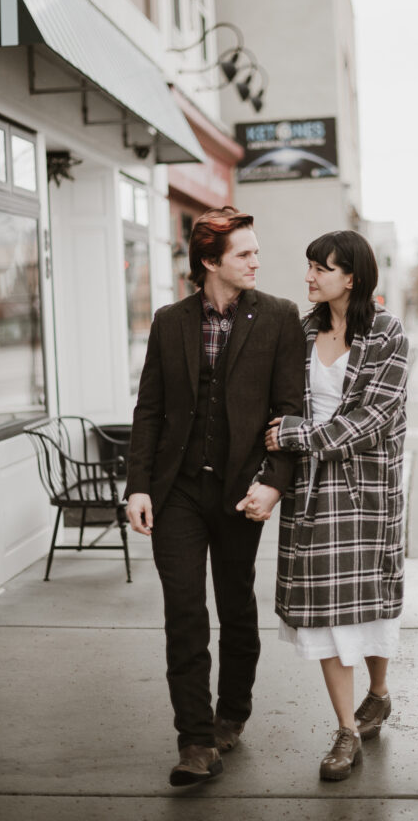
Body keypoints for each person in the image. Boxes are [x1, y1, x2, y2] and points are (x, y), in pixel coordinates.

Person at [125, 206, 305, 787]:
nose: (257, 260)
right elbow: (149, 410)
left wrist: (274, 483)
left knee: (235, 606)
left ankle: (232, 713)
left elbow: (289, 410)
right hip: (177, 489)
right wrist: (138, 486)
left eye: (255, 250)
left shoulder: (278, 317)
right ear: (209, 262)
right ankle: (195, 740)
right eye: (244, 253)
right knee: (184, 611)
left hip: (239, 491)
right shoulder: (169, 320)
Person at [239, 229, 408, 782]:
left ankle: (377, 694)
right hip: (313, 494)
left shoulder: (386, 333)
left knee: (370, 607)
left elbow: (374, 420)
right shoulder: (300, 331)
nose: (309, 276)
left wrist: (296, 436)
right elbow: (279, 404)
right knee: (329, 617)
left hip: (366, 492)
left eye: (321, 268)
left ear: (351, 277)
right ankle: (345, 730)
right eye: (309, 266)